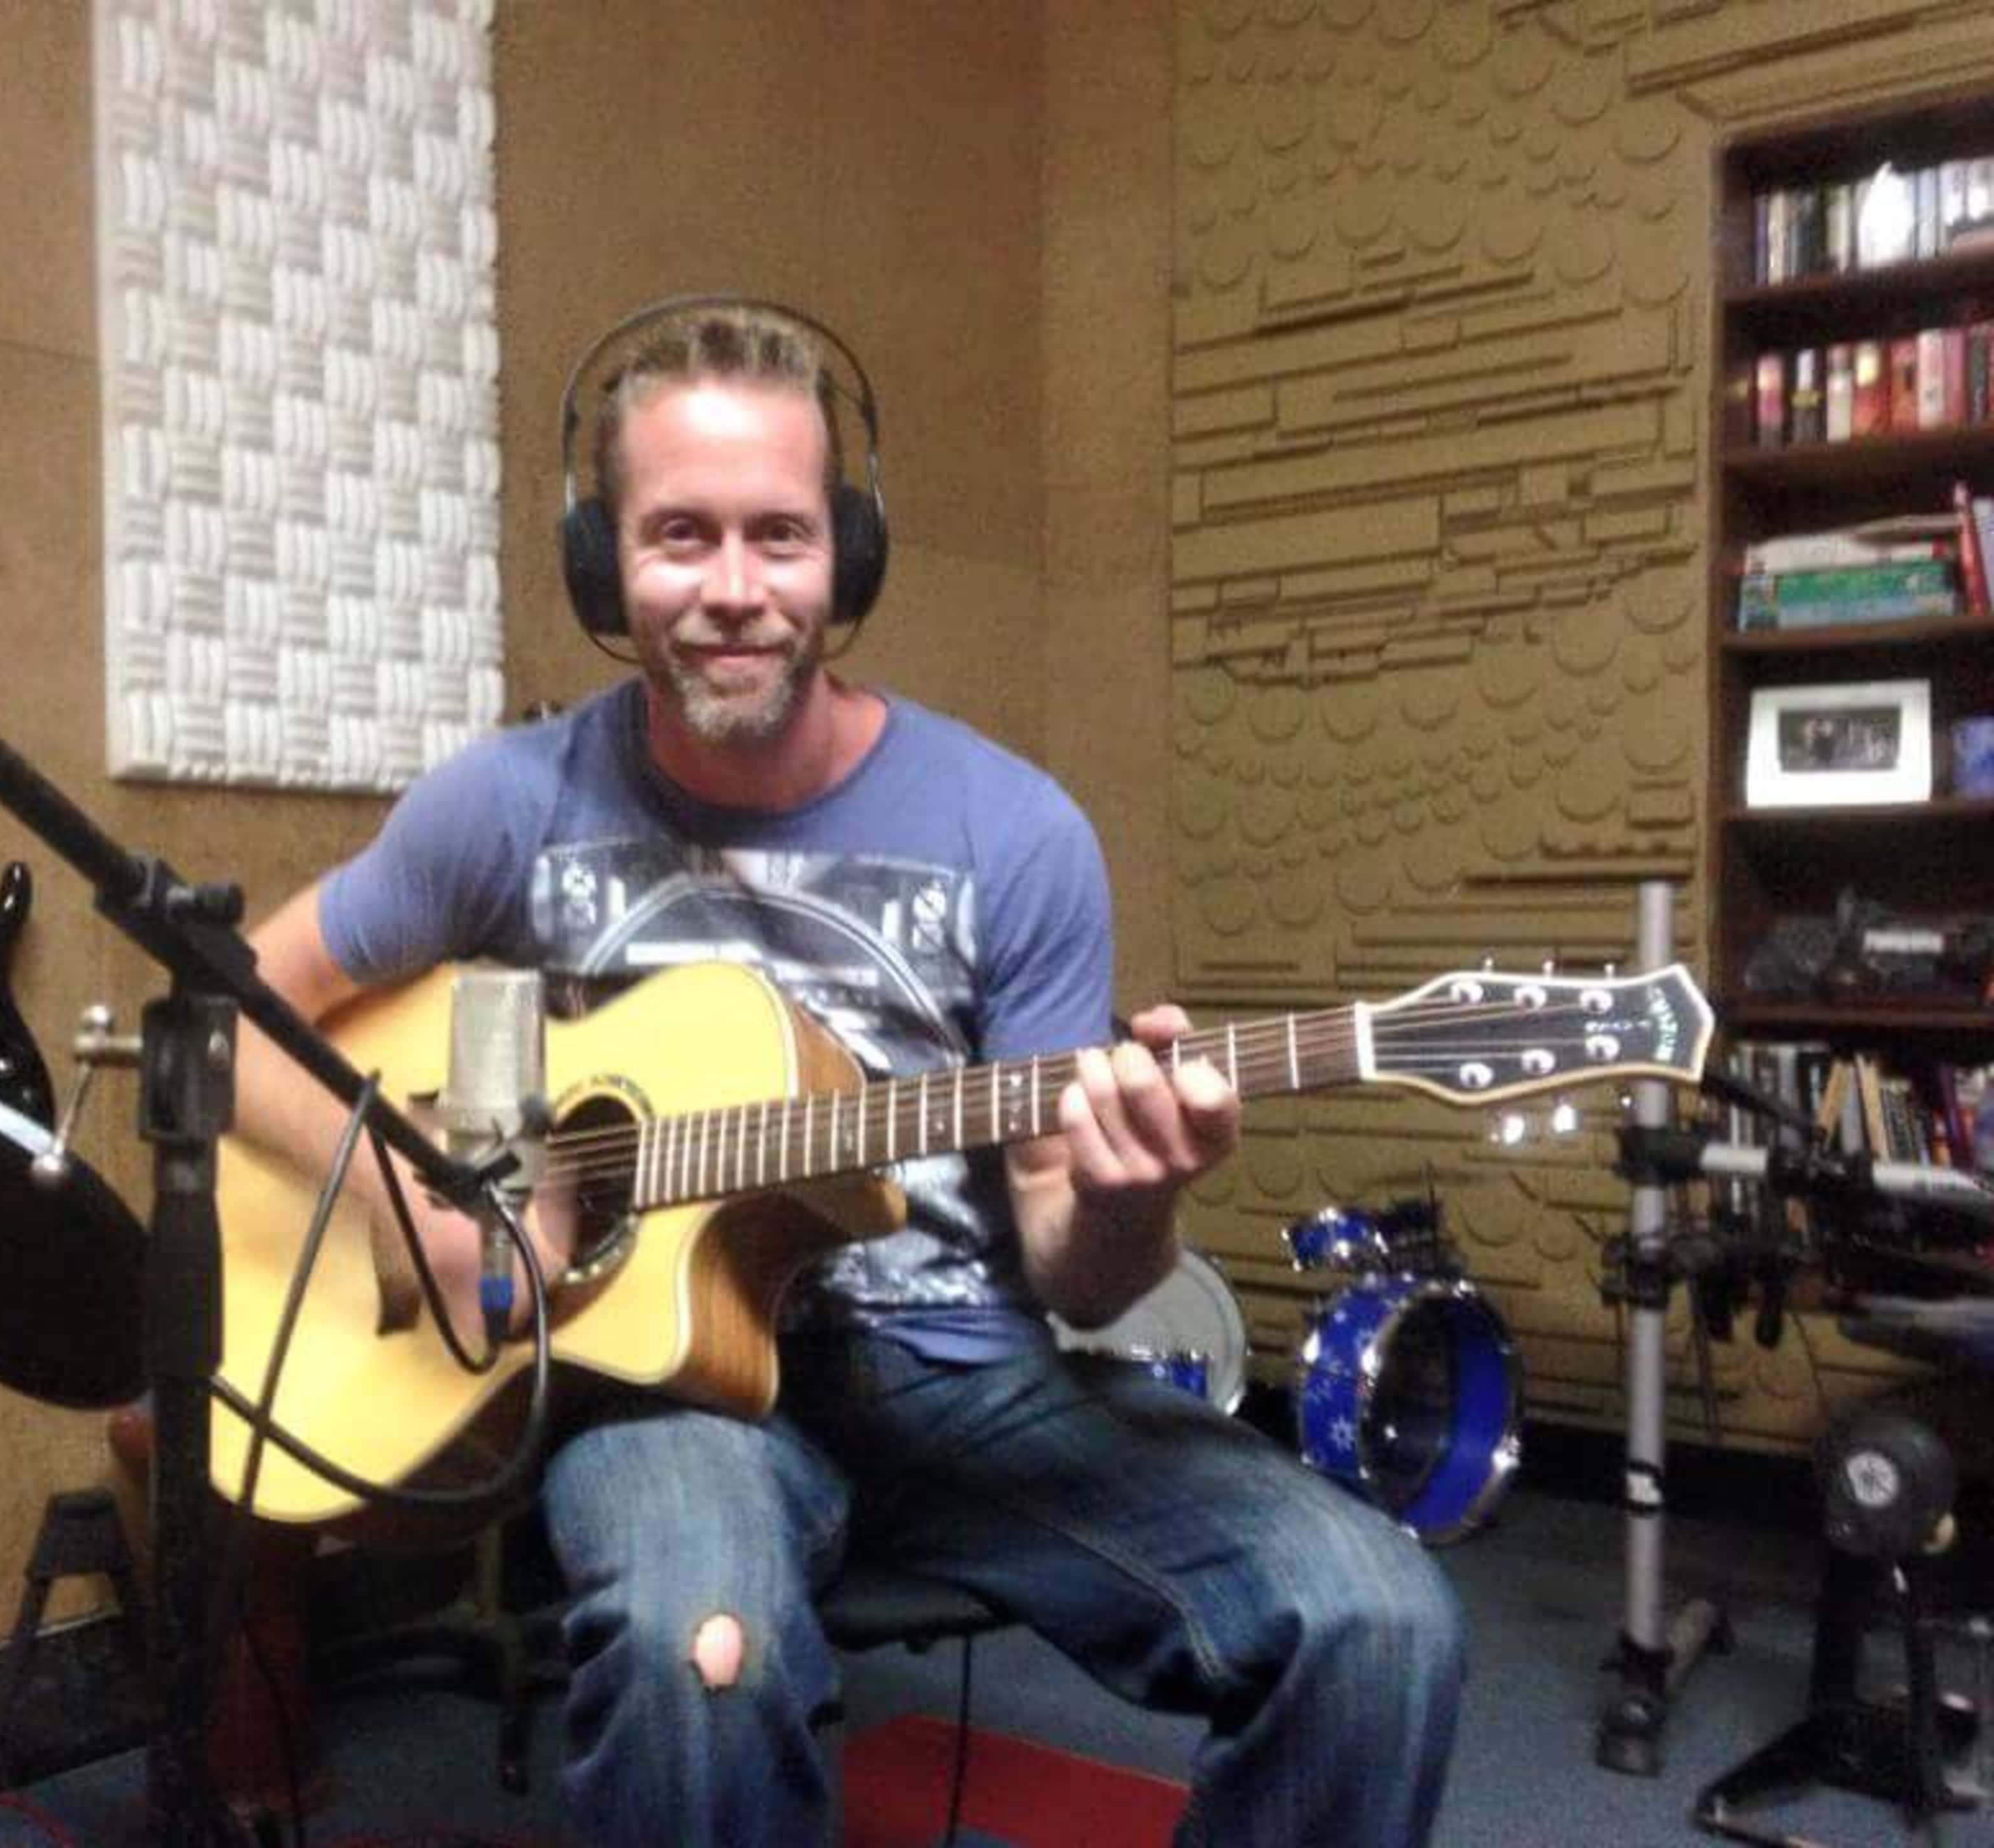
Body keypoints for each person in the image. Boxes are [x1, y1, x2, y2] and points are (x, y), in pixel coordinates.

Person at [234, 300, 1464, 1847]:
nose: (734, 593)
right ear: (603, 558)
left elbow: (1078, 1281)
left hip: (973, 1382)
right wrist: (416, 1193)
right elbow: (231, 1024)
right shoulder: (507, 806)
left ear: (851, 556)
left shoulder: (1013, 834)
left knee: (1380, 1618)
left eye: (783, 537)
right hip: (672, 1388)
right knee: (702, 1651)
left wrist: (1136, 1203)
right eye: (682, 536)